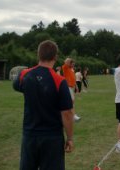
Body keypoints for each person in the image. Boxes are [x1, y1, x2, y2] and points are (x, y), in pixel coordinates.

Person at [13, 40, 74, 170]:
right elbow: (67, 113)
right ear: (55, 57)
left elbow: (17, 85)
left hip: (30, 136)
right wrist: (69, 138)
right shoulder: (59, 81)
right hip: (52, 138)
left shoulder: (24, 75)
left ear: (38, 55)